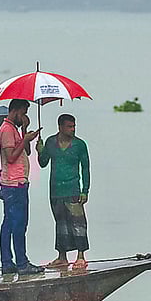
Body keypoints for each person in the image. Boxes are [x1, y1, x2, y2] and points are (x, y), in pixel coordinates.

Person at [37, 113, 92, 269]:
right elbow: (43, 163)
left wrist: (85, 190)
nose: (72, 129)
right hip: (56, 190)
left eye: (74, 126)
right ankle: (62, 256)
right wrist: (40, 151)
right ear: (60, 127)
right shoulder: (50, 142)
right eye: (69, 126)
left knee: (78, 223)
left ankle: (81, 256)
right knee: (60, 223)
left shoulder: (79, 145)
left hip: (73, 189)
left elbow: (85, 168)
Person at [0, 99, 45, 276]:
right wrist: (24, 138)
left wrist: (25, 133)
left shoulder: (15, 130)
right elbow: (10, 157)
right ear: (16, 111)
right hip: (14, 183)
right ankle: (21, 262)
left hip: (16, 182)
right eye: (23, 113)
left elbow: (26, 152)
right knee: (18, 224)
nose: (24, 117)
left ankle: (8, 262)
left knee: (10, 224)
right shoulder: (7, 130)